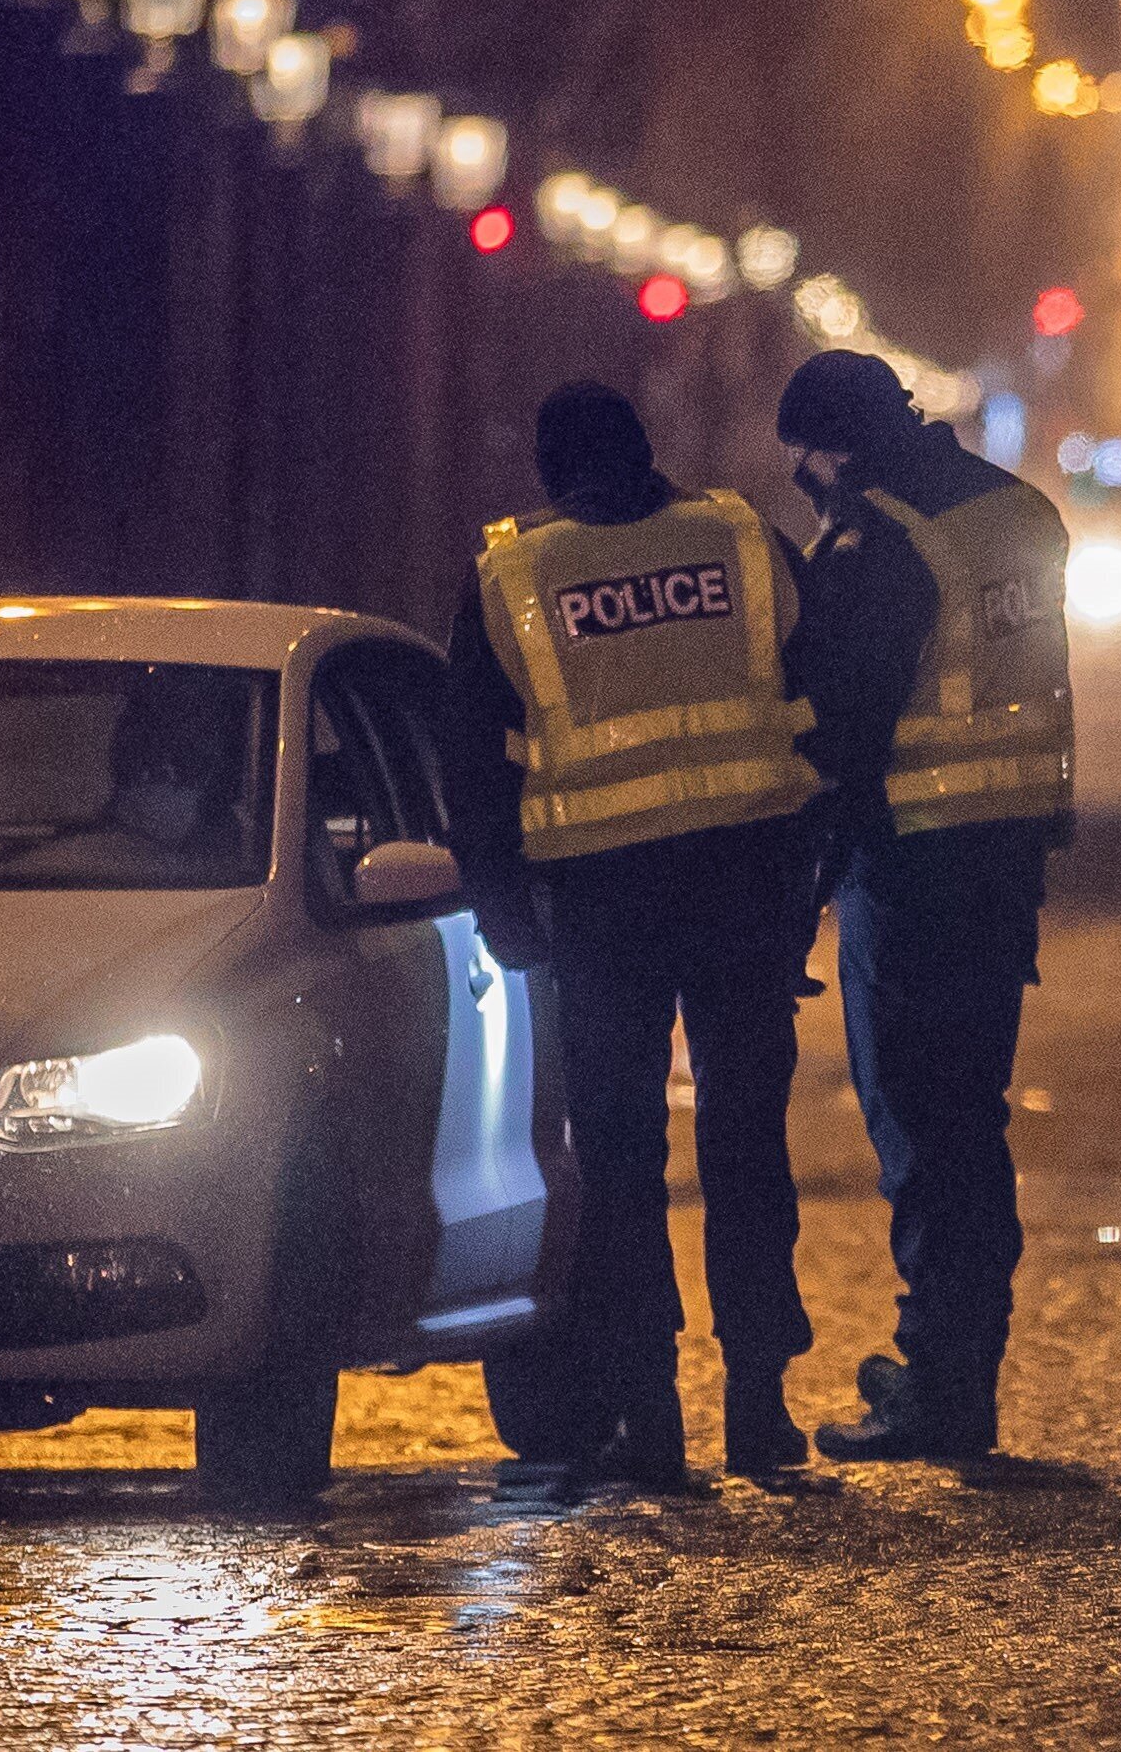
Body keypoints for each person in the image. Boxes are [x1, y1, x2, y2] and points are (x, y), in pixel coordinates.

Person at [445, 380, 846, 1491]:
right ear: (646, 450)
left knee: (621, 1163)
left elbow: (470, 766)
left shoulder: (511, 574)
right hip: (745, 889)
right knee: (745, 1145)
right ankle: (760, 1401)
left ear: (548, 468)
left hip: (601, 907)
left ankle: (650, 1413)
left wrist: (500, 909)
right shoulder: (741, 539)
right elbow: (830, 702)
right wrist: (813, 864)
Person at [773, 347, 1077, 1468]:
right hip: (1004, 861)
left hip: (908, 871)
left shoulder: (878, 539)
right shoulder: (1018, 512)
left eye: (803, 461)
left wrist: (798, 894)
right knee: (970, 1119)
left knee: (922, 1132)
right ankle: (958, 1365)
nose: (804, 483)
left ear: (833, 446)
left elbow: (843, 738)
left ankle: (942, 1384)